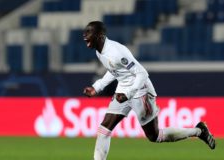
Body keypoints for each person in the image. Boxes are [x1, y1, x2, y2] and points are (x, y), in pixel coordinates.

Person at [82, 21, 216, 160]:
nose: (85, 35)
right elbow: (113, 69)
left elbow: (142, 73)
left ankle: (199, 131)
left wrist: (128, 93)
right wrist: (97, 88)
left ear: (100, 35)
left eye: (88, 32)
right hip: (123, 89)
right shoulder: (100, 51)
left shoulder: (116, 52)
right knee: (104, 129)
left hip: (140, 90)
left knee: (155, 136)